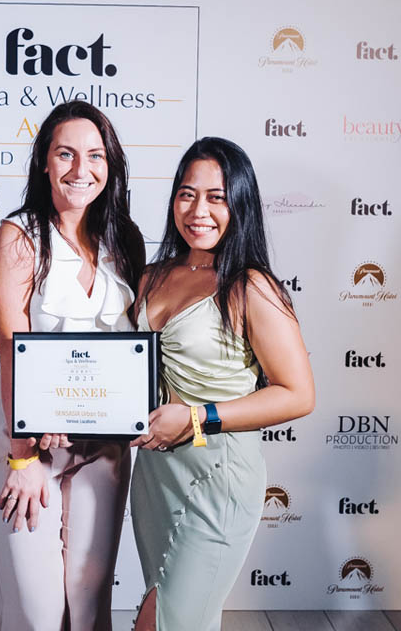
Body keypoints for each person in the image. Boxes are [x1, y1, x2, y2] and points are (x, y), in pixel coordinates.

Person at [128, 137, 315, 631]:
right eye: (187, 194)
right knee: (178, 615)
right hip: (155, 474)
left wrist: (197, 417)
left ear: (240, 204)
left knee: (164, 621)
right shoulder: (151, 277)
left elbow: (298, 394)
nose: (198, 211)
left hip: (218, 474)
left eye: (216, 197)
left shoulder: (251, 286)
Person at [0, 101, 145, 631]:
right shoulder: (20, 236)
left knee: (89, 604)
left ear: (110, 165)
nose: (81, 169)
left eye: (95, 155)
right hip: (29, 437)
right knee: (38, 612)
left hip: (105, 443)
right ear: (44, 162)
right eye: (66, 154)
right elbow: (11, 347)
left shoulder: (125, 238)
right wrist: (22, 456)